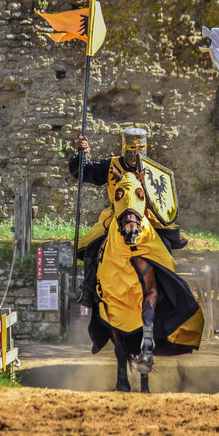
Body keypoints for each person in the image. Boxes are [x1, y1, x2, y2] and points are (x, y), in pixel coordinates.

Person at [68, 127, 185, 307]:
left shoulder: (151, 170)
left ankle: (169, 293)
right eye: (132, 151)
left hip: (145, 218)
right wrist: (82, 153)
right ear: (125, 148)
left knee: (166, 247)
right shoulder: (112, 165)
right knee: (92, 246)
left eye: (139, 150)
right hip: (117, 217)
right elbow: (86, 172)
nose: (135, 154)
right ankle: (89, 289)